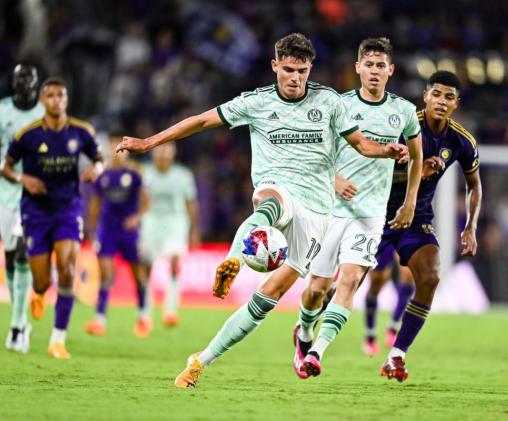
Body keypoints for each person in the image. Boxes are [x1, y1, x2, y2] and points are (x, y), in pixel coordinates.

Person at [116, 33, 408, 388]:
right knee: (270, 201)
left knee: (269, 299)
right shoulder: (255, 103)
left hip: (317, 212)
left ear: (310, 68)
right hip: (278, 188)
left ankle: (202, 357)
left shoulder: (330, 102)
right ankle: (234, 261)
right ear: (275, 66)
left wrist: (387, 151)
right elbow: (201, 120)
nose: (295, 78)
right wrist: (149, 142)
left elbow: (360, 143)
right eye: (288, 70)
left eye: (301, 71)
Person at [292, 37, 423, 379]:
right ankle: (304, 333)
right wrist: (335, 180)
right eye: (369, 64)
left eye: (381, 65)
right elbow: (315, 153)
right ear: (358, 68)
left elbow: (418, 159)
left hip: (370, 216)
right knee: (317, 290)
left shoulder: (405, 112)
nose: (375, 71)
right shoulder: (339, 106)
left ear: (390, 71)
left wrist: (409, 201)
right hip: (330, 210)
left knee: (348, 282)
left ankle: (317, 352)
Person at [379, 70, 482, 382]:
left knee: (430, 276)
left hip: (417, 219)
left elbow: (475, 186)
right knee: (345, 283)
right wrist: (417, 171)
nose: (441, 101)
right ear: (425, 96)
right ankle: (307, 327)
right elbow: (375, 171)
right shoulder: (404, 125)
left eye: (448, 97)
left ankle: (396, 355)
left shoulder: (461, 141)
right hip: (375, 213)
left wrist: (470, 226)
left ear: (456, 103)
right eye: (436, 94)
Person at [1, 77, 104, 359]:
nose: (55, 100)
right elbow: (5, 167)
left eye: (60, 95)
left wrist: (97, 169)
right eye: (50, 95)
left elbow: (99, 158)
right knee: (42, 281)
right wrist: (24, 179)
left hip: (68, 209)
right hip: (35, 211)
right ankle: (38, 292)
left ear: (66, 100)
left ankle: (57, 340)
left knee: (68, 271)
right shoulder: (28, 135)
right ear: (42, 101)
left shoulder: (81, 132)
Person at [84, 135, 151, 337]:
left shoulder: (135, 175)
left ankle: (143, 316)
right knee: (105, 274)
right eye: (114, 147)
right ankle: (99, 320)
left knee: (137, 275)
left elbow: (146, 202)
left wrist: (136, 218)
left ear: (127, 152)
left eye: (121, 148)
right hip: (107, 231)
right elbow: (94, 205)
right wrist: (91, 230)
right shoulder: (102, 177)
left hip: (129, 232)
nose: (118, 152)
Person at [0, 63, 44, 353]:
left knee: (22, 254)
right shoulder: (2, 111)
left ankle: (17, 326)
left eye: (30, 80)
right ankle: (20, 318)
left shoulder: (45, 114)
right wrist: (15, 175)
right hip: (5, 191)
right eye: (21, 80)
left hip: (34, 196)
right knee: (10, 254)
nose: (26, 85)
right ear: (14, 83)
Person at [140, 142, 199, 327]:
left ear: (173, 154)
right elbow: (139, 200)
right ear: (154, 153)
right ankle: (145, 312)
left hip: (175, 222)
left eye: (167, 151)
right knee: (146, 267)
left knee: (174, 263)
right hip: (151, 221)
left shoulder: (183, 175)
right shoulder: (144, 173)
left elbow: (191, 203)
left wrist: (194, 231)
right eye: (160, 151)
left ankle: (171, 310)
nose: (163, 155)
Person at [364, 250, 415, 356]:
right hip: (383, 236)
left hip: (403, 234)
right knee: (376, 283)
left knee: (409, 274)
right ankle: (370, 335)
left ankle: (393, 326)